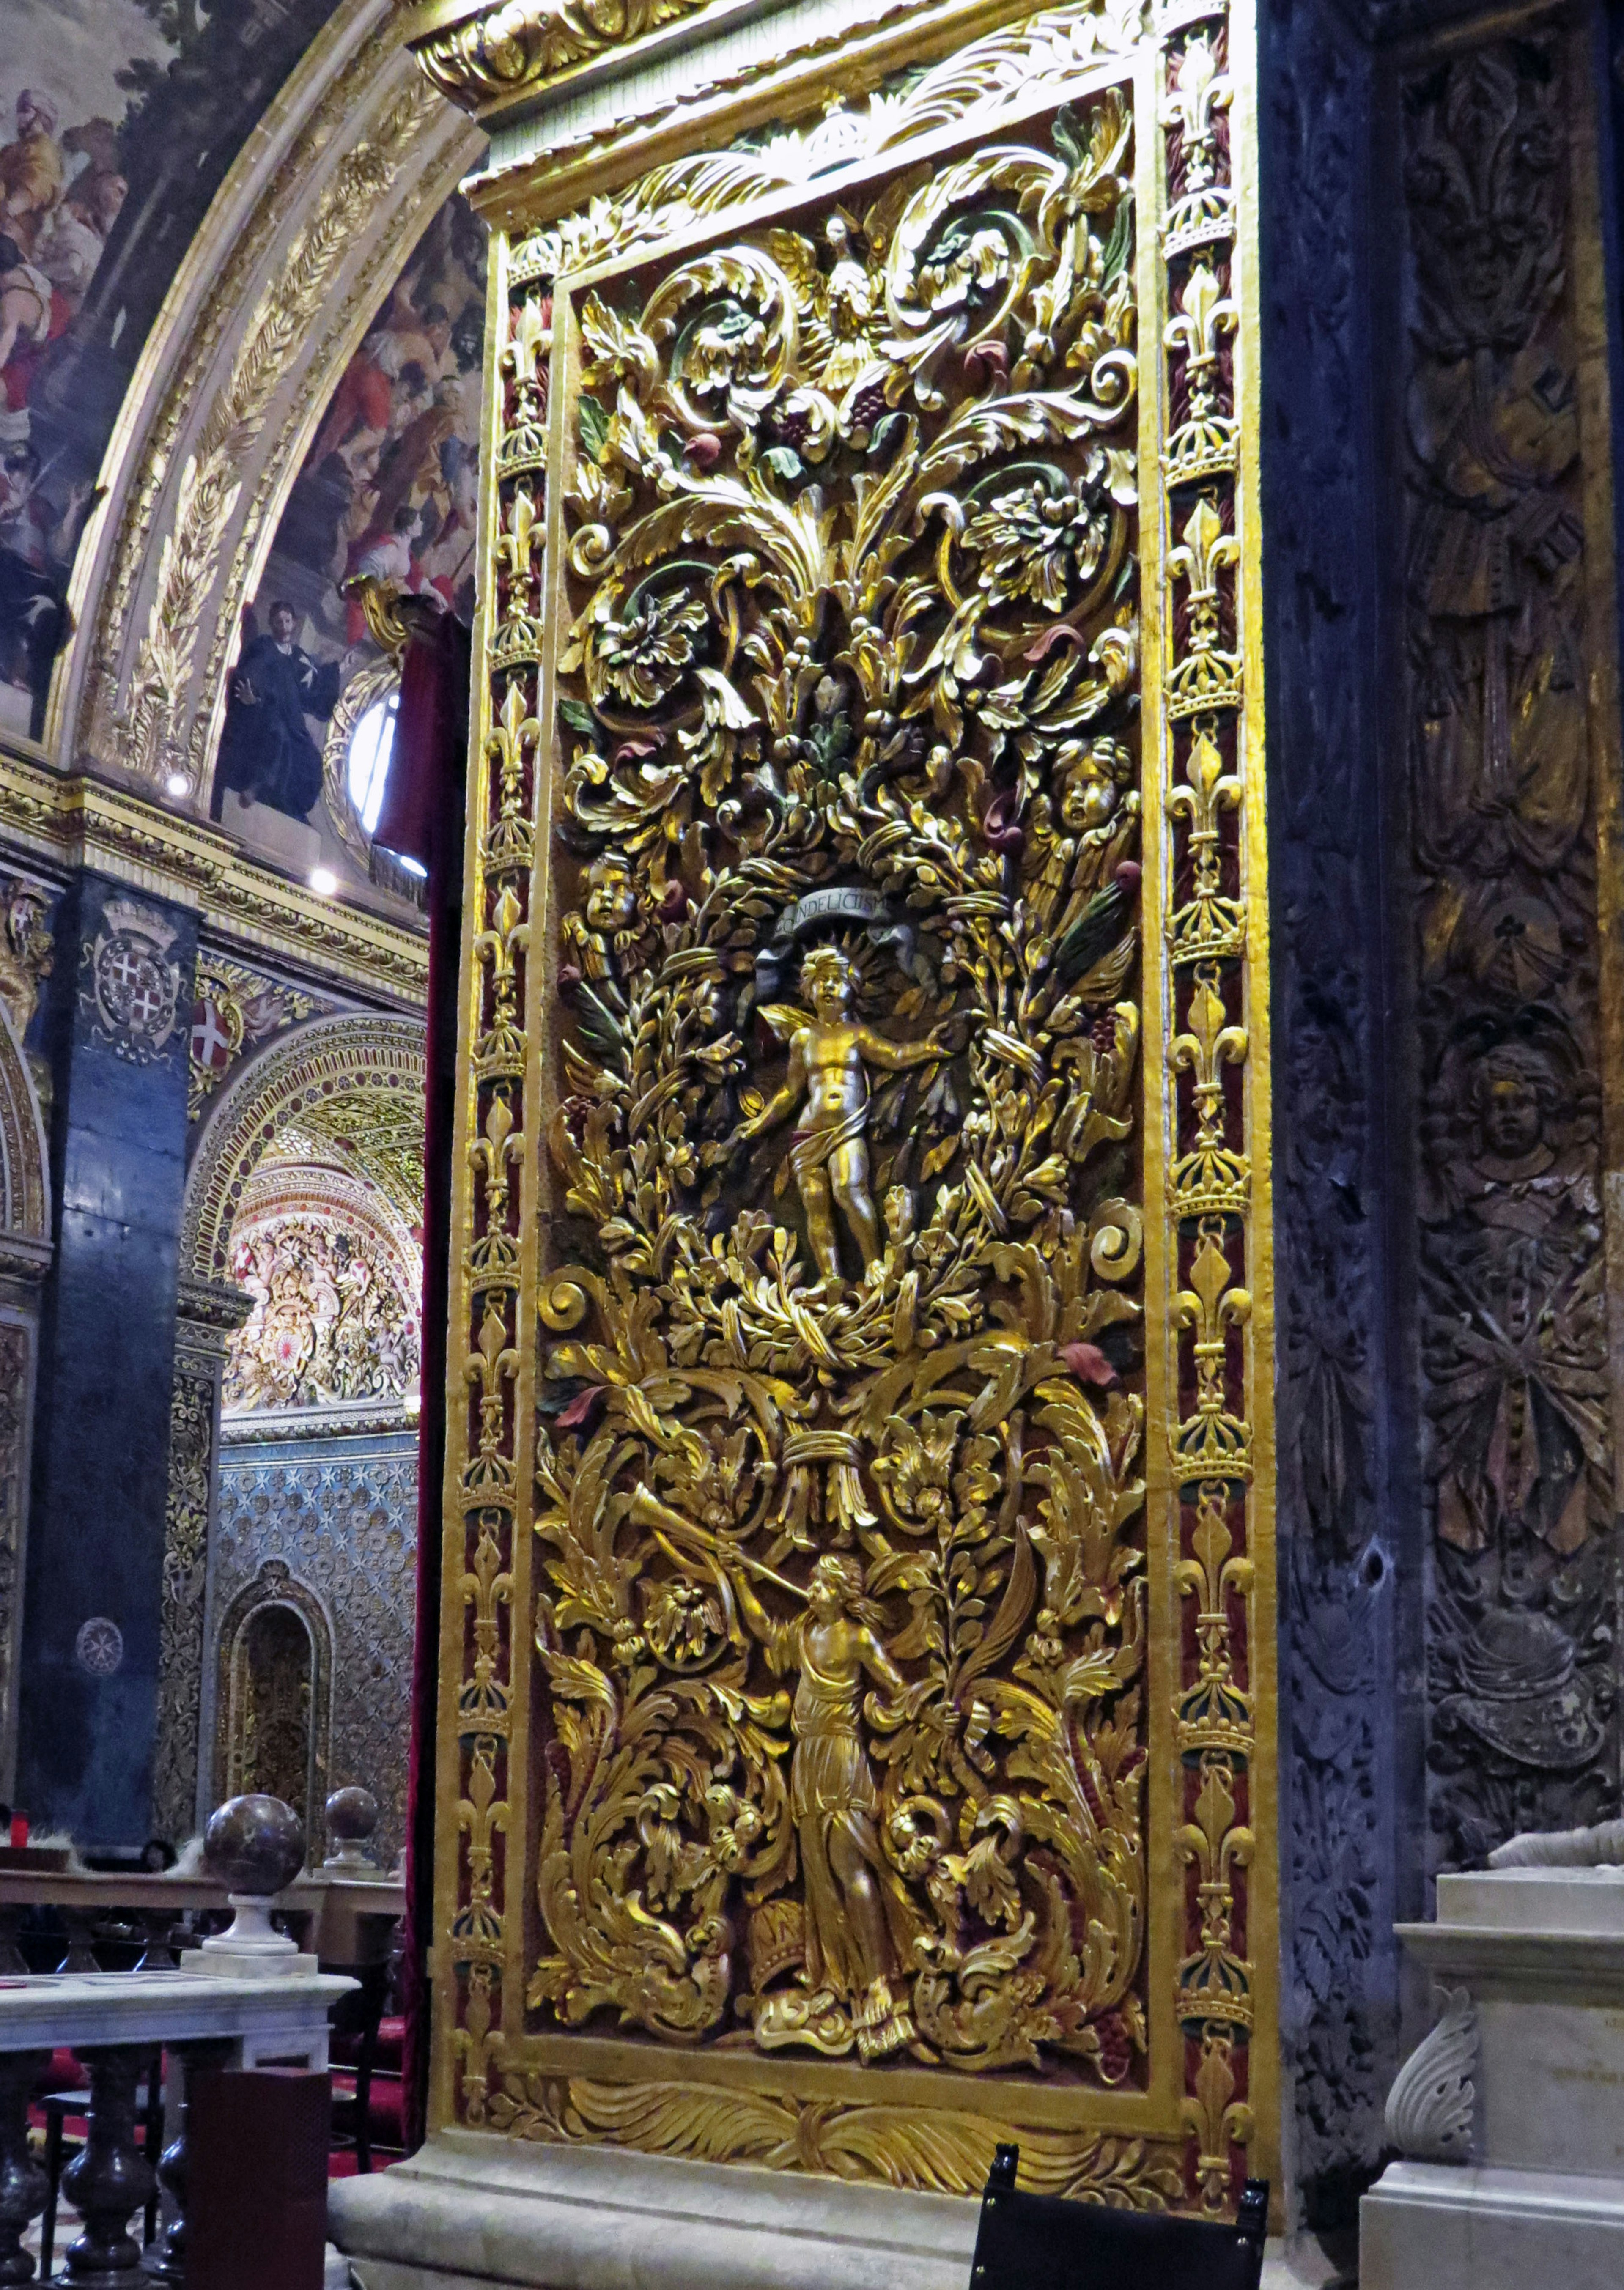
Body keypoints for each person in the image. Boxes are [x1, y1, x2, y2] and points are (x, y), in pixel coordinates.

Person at [710, 944, 947, 1282]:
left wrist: (929, 1048)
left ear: (852, 986)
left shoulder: (857, 1034)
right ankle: (830, 1279)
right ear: (809, 990)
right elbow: (791, 1093)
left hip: (847, 1129)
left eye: (837, 979)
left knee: (849, 1189)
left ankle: (873, 1265)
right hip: (808, 1133)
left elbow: (893, 1055)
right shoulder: (803, 1040)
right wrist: (754, 1127)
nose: (830, 987)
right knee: (815, 1202)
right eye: (822, 981)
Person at [212, 601, 341, 823]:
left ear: (294, 623)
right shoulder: (265, 648)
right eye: (279, 622)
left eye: (287, 621)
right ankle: (256, 788)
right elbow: (251, 675)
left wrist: (340, 669)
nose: (283, 626)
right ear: (272, 624)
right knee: (278, 738)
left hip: (292, 720)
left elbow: (312, 686)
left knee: (310, 760)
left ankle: (287, 805)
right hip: (262, 713)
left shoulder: (297, 656)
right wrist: (254, 699)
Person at [0, 92, 63, 261]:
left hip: (13, 232)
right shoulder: (15, 148)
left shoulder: (44, 149)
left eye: (25, 110)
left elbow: (37, 185)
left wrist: (10, 209)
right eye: (19, 110)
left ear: (40, 116)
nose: (19, 116)